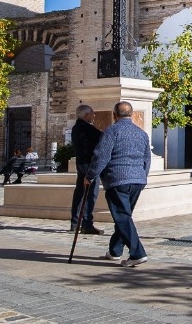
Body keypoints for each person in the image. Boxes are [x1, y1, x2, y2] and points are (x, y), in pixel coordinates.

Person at [84, 101, 152, 266]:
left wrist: (90, 175)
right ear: (132, 114)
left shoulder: (112, 131)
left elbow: (102, 155)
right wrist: (143, 176)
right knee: (124, 216)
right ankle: (115, 251)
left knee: (122, 216)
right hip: (137, 180)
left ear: (114, 115)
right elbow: (146, 158)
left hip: (117, 179)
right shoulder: (141, 133)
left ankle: (137, 253)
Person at [70, 104, 103, 235]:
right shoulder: (87, 128)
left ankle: (75, 222)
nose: (94, 116)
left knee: (80, 194)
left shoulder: (75, 128)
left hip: (81, 164)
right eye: (92, 114)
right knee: (90, 195)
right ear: (86, 115)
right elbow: (102, 138)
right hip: (89, 166)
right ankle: (86, 223)